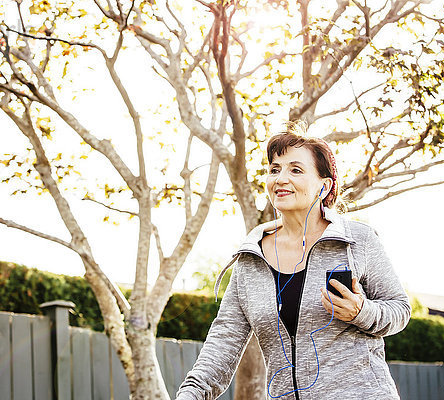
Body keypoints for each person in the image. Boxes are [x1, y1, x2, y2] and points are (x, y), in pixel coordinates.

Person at [175, 122, 411, 400]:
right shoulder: (251, 260)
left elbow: (399, 309)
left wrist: (361, 312)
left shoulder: (357, 241)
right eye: (275, 169)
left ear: (324, 187)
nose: (280, 178)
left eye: (295, 170)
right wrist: (190, 394)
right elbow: (223, 342)